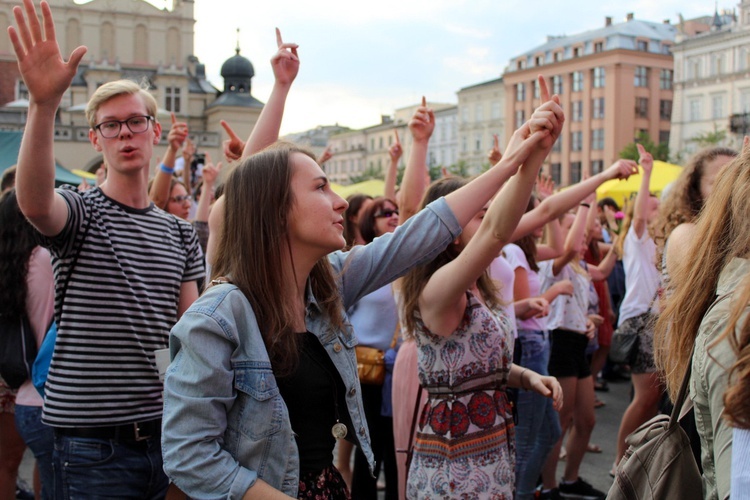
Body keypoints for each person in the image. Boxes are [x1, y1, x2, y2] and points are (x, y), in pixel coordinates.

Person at [8, 2, 205, 497]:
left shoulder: (179, 233)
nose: (124, 134)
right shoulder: (80, 211)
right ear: (96, 137)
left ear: (155, 131)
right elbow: (34, 203)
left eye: (135, 122)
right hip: (92, 446)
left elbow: (185, 337)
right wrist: (43, 105)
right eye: (111, 126)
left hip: (164, 438)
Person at [398, 79, 563, 499]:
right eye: (478, 215)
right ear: (451, 234)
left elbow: (474, 370)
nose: (488, 222)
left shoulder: (475, 291)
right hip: (455, 470)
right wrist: (530, 156)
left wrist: (526, 377)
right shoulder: (438, 291)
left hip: (487, 454)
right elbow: (495, 232)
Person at [655, 144, 750, 500]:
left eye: (736, 171)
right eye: (722, 177)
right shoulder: (685, 235)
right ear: (695, 189)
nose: (732, 180)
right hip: (698, 374)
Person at [538, 201, 615, 500]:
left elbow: (579, 303)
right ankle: (548, 486)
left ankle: (570, 479)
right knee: (561, 420)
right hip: (560, 344)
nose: (582, 240)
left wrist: (588, 321)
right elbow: (567, 249)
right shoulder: (553, 263)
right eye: (576, 233)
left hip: (578, 343)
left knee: (586, 419)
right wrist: (585, 204)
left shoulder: (581, 267)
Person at [611, 145, 663, 471]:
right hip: (640, 322)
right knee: (646, 397)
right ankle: (619, 462)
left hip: (657, 322)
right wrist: (647, 173)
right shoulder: (637, 239)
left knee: (650, 398)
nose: (659, 212)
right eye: (655, 207)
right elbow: (641, 214)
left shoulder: (665, 243)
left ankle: (637, 459)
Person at [1, 189, 55, 499]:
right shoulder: (47, 260)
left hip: (14, 384)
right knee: (50, 476)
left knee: (8, 465)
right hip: (45, 388)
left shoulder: (9, 265)